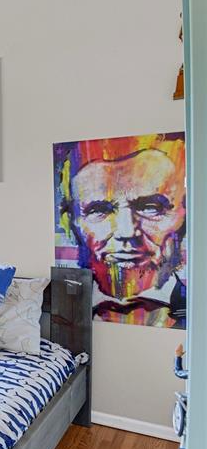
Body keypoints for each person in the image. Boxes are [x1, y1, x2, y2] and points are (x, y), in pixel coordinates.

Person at [59, 134, 186, 328]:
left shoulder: (197, 315)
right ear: (70, 224)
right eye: (99, 210)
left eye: (150, 207)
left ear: (184, 217)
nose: (126, 232)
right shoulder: (62, 313)